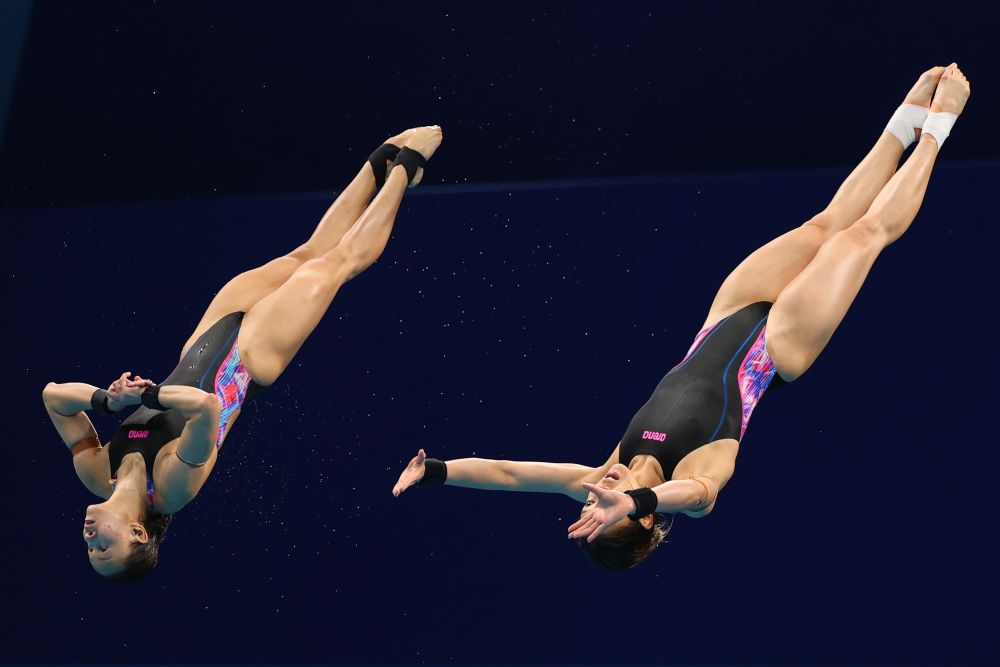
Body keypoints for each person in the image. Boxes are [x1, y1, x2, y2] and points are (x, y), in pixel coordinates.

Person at [394, 65, 970, 570]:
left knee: (824, 223)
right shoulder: (696, 479)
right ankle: (936, 134)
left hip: (724, 317)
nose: (598, 494)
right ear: (643, 520)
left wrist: (437, 471)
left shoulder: (606, 468)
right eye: (607, 509)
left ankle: (901, 125)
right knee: (860, 238)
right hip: (780, 346)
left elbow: (511, 475)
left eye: (592, 504)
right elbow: (694, 496)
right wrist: (641, 500)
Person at [43, 126, 443, 581]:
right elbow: (206, 408)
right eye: (103, 549)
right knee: (333, 265)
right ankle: (408, 166)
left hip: (199, 346)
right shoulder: (172, 491)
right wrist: (146, 398)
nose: (89, 539)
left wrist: (107, 401)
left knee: (302, 255)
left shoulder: (97, 473)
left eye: (89, 550)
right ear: (137, 533)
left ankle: (382, 157)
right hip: (248, 361)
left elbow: (54, 397)